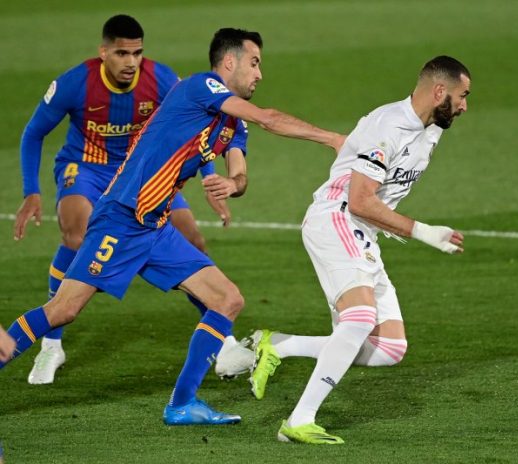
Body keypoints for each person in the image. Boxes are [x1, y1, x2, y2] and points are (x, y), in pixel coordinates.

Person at [0, 27, 343, 426]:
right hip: (123, 218)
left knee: (226, 299)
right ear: (229, 63)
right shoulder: (200, 87)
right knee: (63, 309)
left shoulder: (233, 124)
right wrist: (332, 138)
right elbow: (268, 118)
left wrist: (233, 184)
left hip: (156, 227)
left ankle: (182, 405)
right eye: (254, 63)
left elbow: (241, 172)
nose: (259, 74)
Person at [249, 55, 470, 444]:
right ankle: (299, 420)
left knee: (389, 347)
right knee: (359, 319)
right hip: (337, 217)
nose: (465, 106)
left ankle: (279, 345)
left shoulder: (432, 129)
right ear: (440, 92)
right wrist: (423, 232)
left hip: (362, 231)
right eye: (462, 95)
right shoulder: (388, 125)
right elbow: (361, 201)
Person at [12, 14, 236, 385]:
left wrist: (210, 179)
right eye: (121, 53)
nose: (131, 62)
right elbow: (33, 132)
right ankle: (51, 344)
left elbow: (198, 126)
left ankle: (222, 338)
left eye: (137, 53)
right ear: (103, 53)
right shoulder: (76, 82)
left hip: (143, 174)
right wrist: (30, 191)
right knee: (76, 229)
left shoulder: (162, 79)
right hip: (87, 166)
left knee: (193, 238)